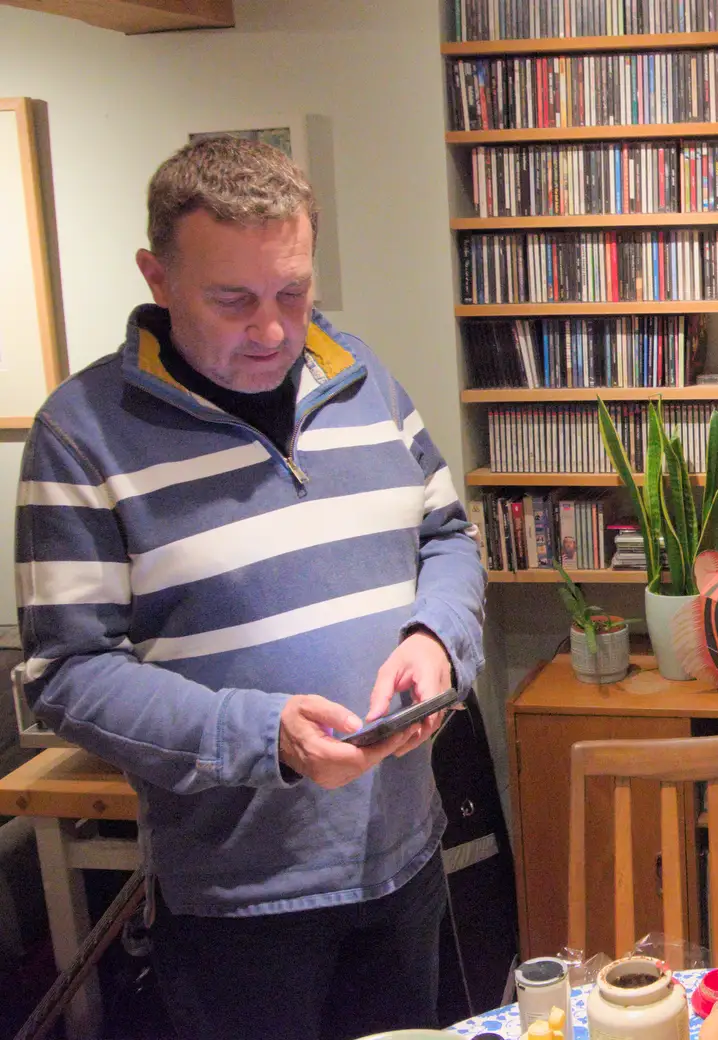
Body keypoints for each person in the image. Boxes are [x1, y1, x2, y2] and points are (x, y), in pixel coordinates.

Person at [14, 137, 485, 1040]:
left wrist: (435, 639)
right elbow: (66, 671)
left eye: (293, 292)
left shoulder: (362, 378)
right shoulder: (79, 436)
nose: (272, 330)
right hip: (236, 904)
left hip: (402, 858)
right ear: (158, 275)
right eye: (232, 300)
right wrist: (260, 736)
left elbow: (448, 538)